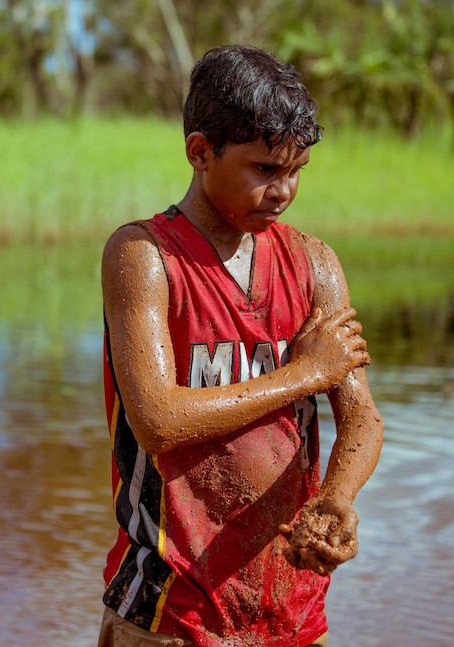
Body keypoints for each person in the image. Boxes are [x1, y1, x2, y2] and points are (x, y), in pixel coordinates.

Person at [97, 45, 384, 647]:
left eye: (296, 170)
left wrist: (335, 500)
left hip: (292, 607)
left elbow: (362, 422)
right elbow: (158, 420)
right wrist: (302, 375)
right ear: (201, 153)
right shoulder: (145, 257)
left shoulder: (314, 264)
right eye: (263, 170)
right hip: (169, 608)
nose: (284, 190)